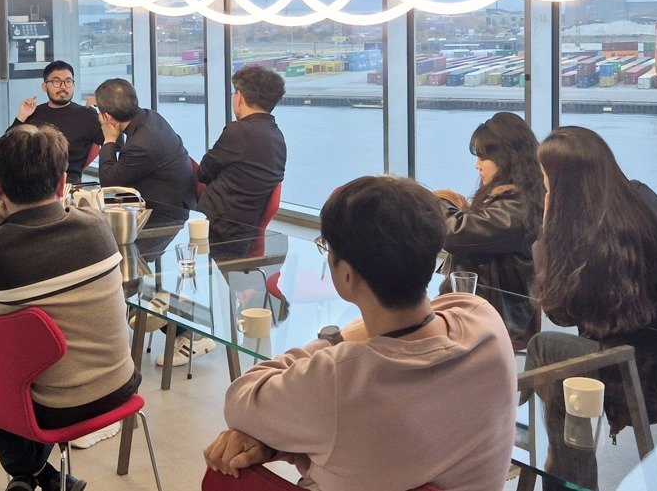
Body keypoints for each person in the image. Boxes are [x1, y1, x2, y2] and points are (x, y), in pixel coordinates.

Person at [205, 175, 517, 491]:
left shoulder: (338, 377)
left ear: (347, 275)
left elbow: (240, 400)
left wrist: (336, 339)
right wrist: (275, 445)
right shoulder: (482, 320)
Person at [0, 124, 139, 491]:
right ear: (62, 183)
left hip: (54, 406)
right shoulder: (97, 225)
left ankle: (31, 474)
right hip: (122, 384)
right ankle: (46, 477)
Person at [525, 126, 657, 490]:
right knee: (561, 370)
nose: (545, 190)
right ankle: (562, 457)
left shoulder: (576, 237)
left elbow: (560, 314)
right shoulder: (642, 201)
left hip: (624, 367)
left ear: (565, 187)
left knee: (544, 349)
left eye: (548, 184)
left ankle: (563, 466)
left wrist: (546, 237)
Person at [432, 111, 544, 350]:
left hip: (494, 320)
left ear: (505, 158)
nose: (477, 165)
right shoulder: (519, 197)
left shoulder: (516, 209)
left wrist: (435, 202)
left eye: (483, 157)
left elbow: (455, 232)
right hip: (481, 312)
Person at [197, 65, 287, 241]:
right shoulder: (277, 136)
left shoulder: (239, 132)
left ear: (239, 97)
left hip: (216, 229)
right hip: (246, 229)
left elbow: (203, 173)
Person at [94, 78, 197, 224]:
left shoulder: (140, 145)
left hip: (165, 215)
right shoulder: (151, 116)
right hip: (178, 200)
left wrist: (109, 139)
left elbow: (109, 185)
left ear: (107, 116)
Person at [10, 61, 102, 184]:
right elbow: (7, 146)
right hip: (32, 182)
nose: (63, 86)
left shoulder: (87, 115)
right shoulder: (33, 113)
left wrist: (104, 110)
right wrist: (21, 116)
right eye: (56, 81)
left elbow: (115, 144)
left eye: (68, 81)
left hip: (69, 184)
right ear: (45, 87)